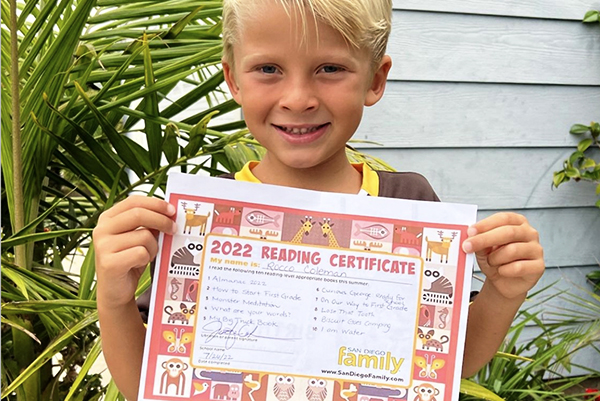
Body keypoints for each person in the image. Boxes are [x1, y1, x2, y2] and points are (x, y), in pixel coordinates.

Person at [93, 0, 545, 399]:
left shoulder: (412, 204)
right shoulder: (196, 223)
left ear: (375, 79)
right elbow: (148, 386)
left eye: (329, 68)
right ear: (233, 80)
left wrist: (503, 293)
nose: (298, 99)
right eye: (268, 69)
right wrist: (113, 299)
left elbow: (440, 367)